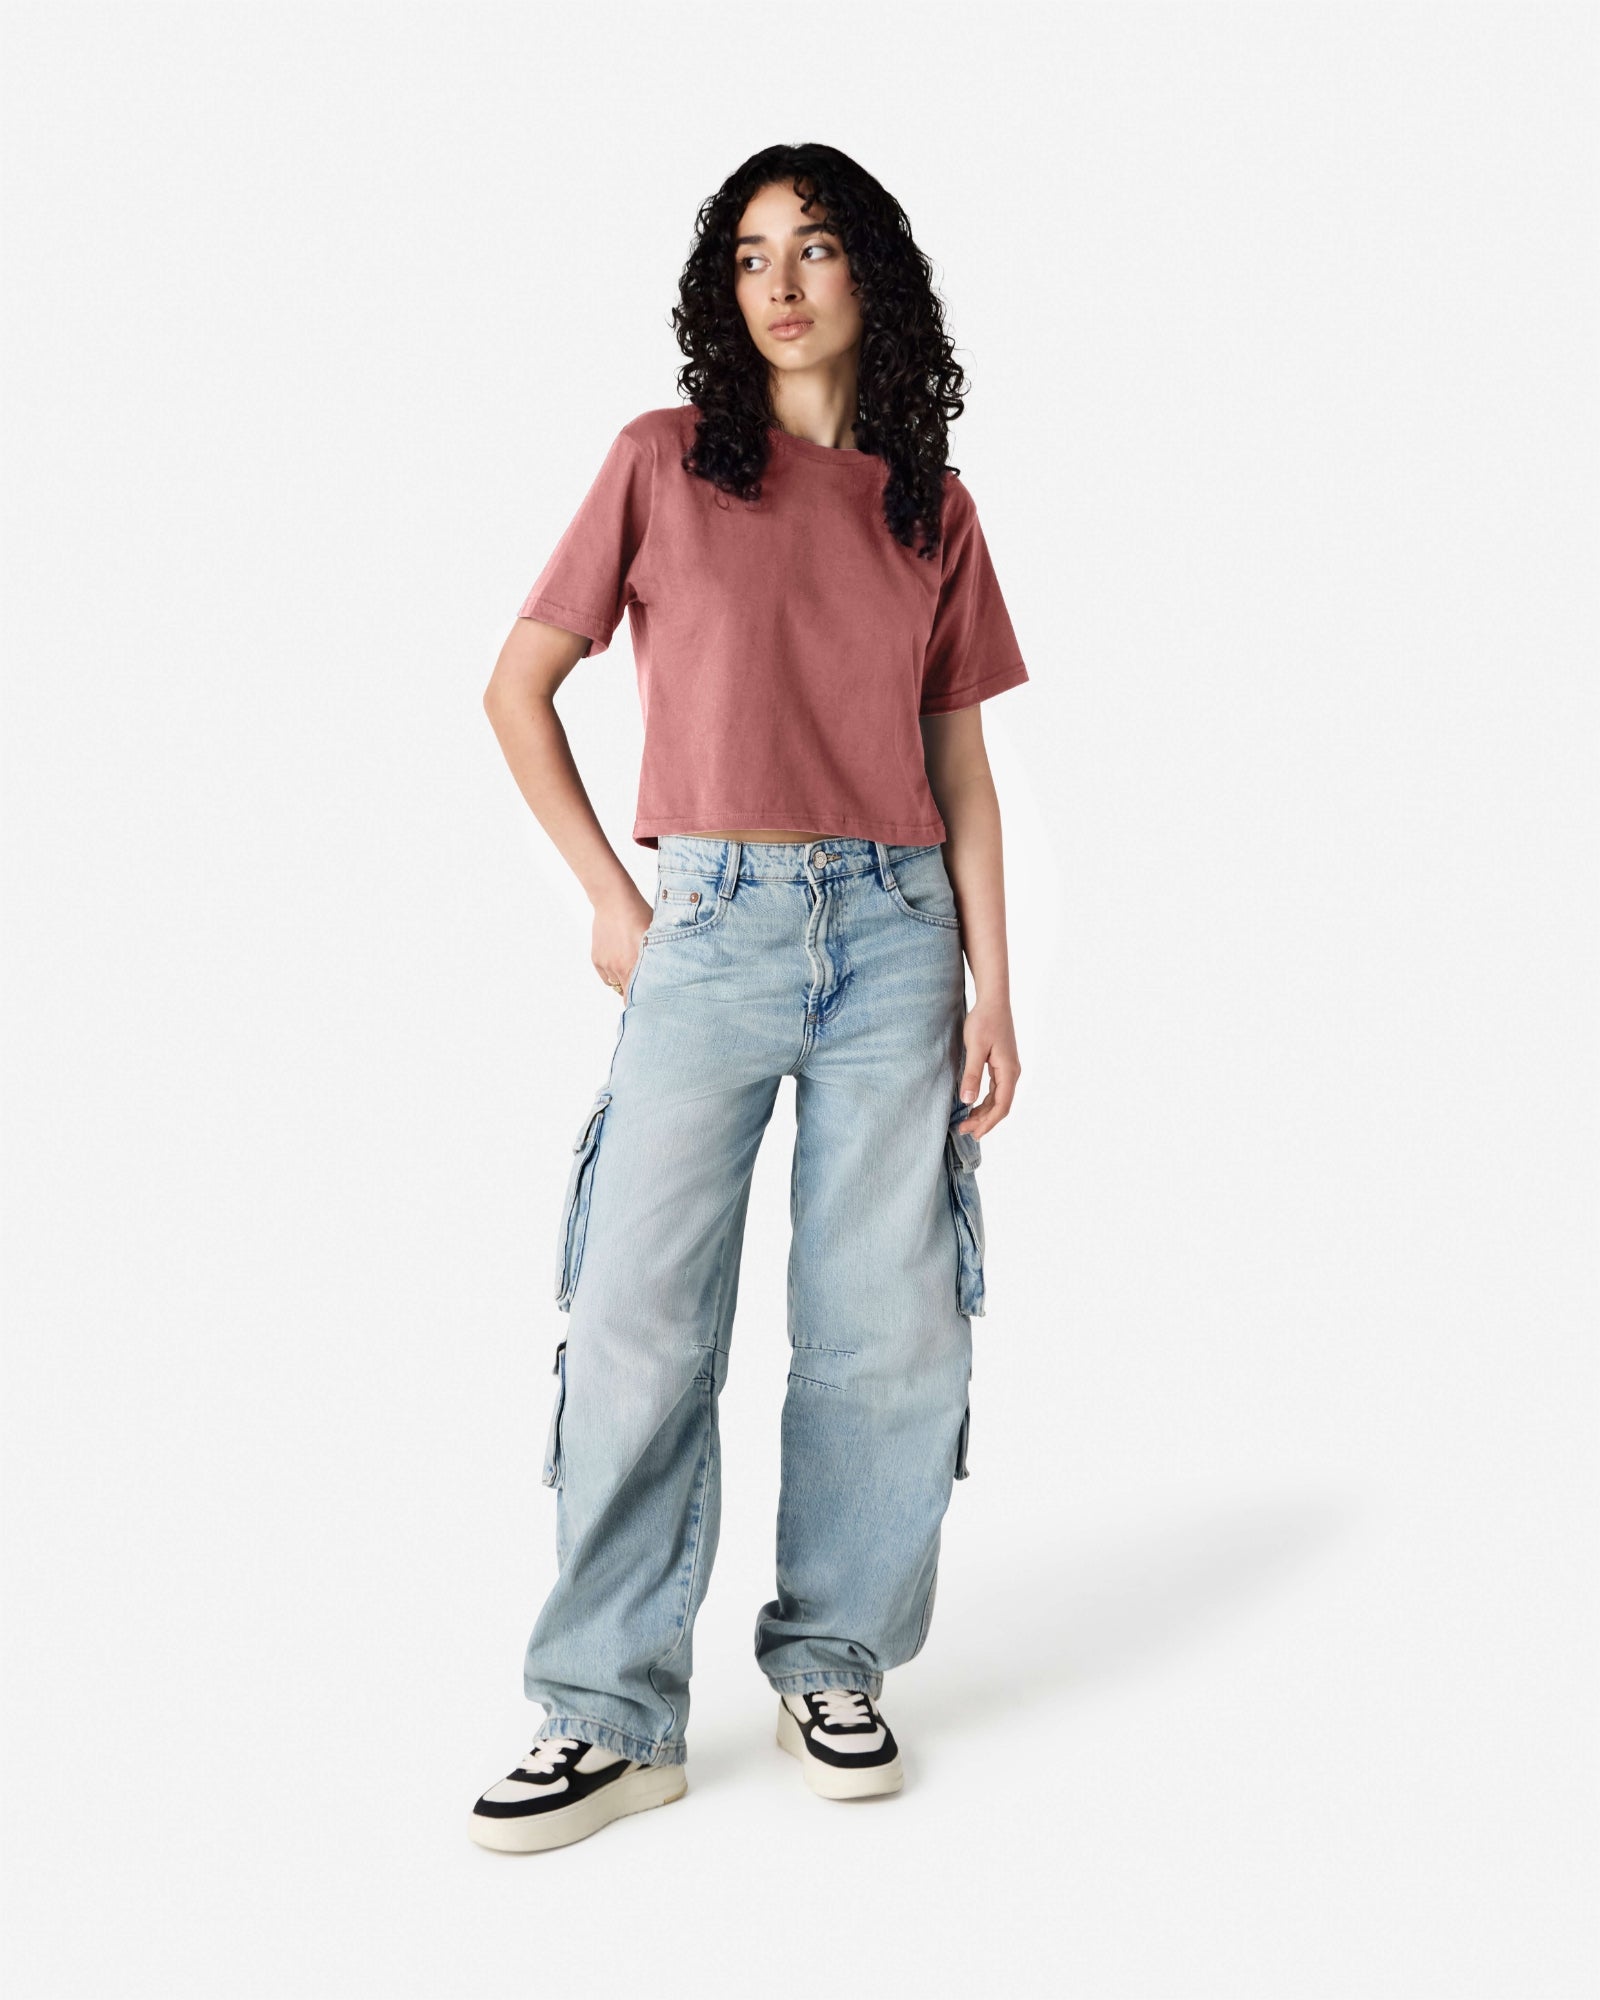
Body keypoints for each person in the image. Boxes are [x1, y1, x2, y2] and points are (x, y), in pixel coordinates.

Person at [469, 142, 1028, 1854]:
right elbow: (516, 690)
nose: (781, 282)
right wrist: (616, 901)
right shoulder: (659, 464)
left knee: (884, 1327)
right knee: (638, 1321)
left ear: (876, 279)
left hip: (891, 930)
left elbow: (963, 763)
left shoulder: (930, 504)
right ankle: (608, 1712)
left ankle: (833, 1657)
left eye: (817, 248)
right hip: (704, 923)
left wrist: (996, 984)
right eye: (751, 253)